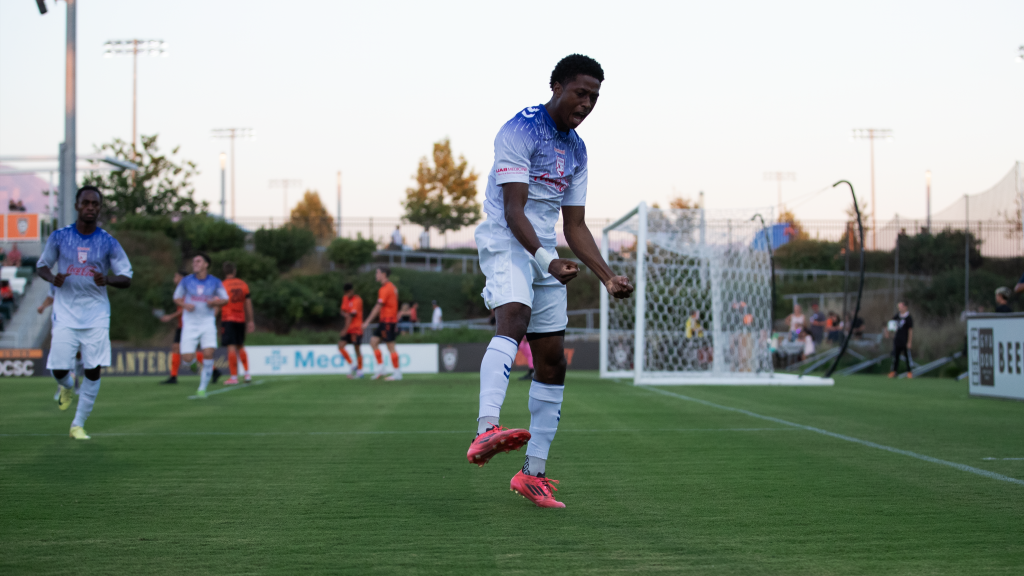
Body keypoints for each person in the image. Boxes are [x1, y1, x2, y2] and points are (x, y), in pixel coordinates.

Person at [464, 54, 633, 508]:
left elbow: (574, 225)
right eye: (581, 92)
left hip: (544, 251)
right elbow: (514, 210)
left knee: (553, 360)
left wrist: (607, 276)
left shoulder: (577, 149)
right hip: (507, 241)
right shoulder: (519, 129)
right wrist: (546, 259)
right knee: (513, 317)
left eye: (595, 96)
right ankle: (486, 430)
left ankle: (532, 473)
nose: (587, 103)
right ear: (556, 86)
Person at [36, 186, 133, 440]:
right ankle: (67, 385)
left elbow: (127, 277)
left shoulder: (108, 241)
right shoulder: (59, 237)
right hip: (65, 313)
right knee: (58, 368)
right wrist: (53, 277)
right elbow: (42, 265)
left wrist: (108, 279)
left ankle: (77, 425)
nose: (91, 207)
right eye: (86, 203)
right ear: (78, 205)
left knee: (93, 368)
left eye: (95, 204)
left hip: (97, 314)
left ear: (99, 208)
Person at [173, 253, 228, 398]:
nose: (195, 264)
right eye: (193, 262)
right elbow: (176, 297)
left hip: (207, 322)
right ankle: (191, 364)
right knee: (186, 358)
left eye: (198, 261)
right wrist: (184, 304)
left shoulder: (215, 282)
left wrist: (215, 302)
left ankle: (202, 388)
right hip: (190, 323)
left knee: (208, 353)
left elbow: (225, 299)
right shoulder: (186, 281)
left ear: (206, 265)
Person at [159, 271, 209, 385]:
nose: (174, 278)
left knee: (190, 351)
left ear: (181, 278)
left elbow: (186, 308)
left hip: (188, 325)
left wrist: (170, 316)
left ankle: (213, 370)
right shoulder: (180, 290)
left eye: (176, 276)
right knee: (176, 348)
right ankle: (173, 376)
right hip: (182, 325)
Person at [39, 285, 84, 400]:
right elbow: (51, 297)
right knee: (61, 357)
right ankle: (62, 388)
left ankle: (76, 379)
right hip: (60, 325)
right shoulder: (54, 283)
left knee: (77, 355)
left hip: (77, 322)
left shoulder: (78, 278)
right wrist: (43, 306)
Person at [363, 267, 402, 380]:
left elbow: (378, 307)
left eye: (378, 273)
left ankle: (397, 373)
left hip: (388, 321)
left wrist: (367, 322)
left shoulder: (385, 289)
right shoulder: (392, 287)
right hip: (385, 320)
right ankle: (381, 369)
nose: (376, 275)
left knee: (391, 346)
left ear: (384, 274)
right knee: (373, 342)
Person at [220, 262, 254, 385]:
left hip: (228, 318)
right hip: (241, 319)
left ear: (224, 272)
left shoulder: (222, 286)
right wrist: (251, 320)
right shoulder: (243, 284)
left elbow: (219, 304)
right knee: (240, 346)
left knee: (231, 347)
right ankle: (247, 374)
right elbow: (248, 304)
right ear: (234, 271)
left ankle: (233, 377)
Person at [339, 283, 364, 379]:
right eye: (346, 293)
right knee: (340, 346)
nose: (347, 294)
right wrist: (345, 314)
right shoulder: (345, 298)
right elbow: (342, 311)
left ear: (352, 291)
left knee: (357, 349)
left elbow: (352, 315)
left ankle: (360, 372)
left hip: (356, 329)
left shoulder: (357, 300)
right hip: (348, 328)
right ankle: (353, 365)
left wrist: (345, 329)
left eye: (349, 292)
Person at [885, 300, 914, 378]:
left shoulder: (908, 318)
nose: (899, 308)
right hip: (897, 340)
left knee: (907, 357)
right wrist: (887, 332)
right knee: (896, 357)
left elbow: (910, 330)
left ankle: (909, 372)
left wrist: (909, 342)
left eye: (901, 307)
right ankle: (894, 371)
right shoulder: (897, 316)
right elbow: (891, 324)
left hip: (905, 340)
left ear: (905, 307)